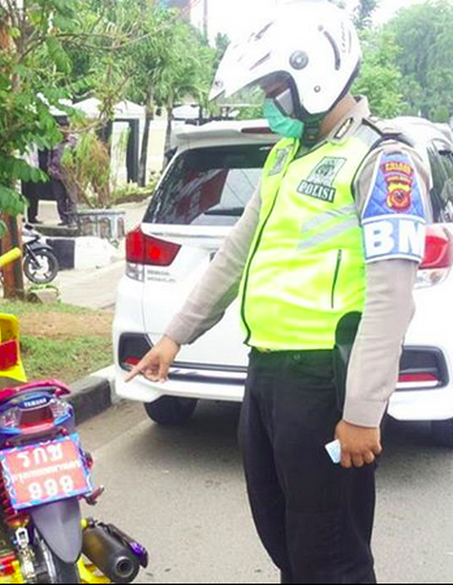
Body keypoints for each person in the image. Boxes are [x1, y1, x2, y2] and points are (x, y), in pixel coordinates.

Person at [127, 3, 430, 583]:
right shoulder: (286, 156)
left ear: (313, 74)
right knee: (284, 537)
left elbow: (392, 300)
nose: (270, 102)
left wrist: (363, 412)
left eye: (274, 87)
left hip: (325, 385)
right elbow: (233, 258)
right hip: (266, 377)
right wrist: (174, 337)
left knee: (332, 557)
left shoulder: (380, 160)